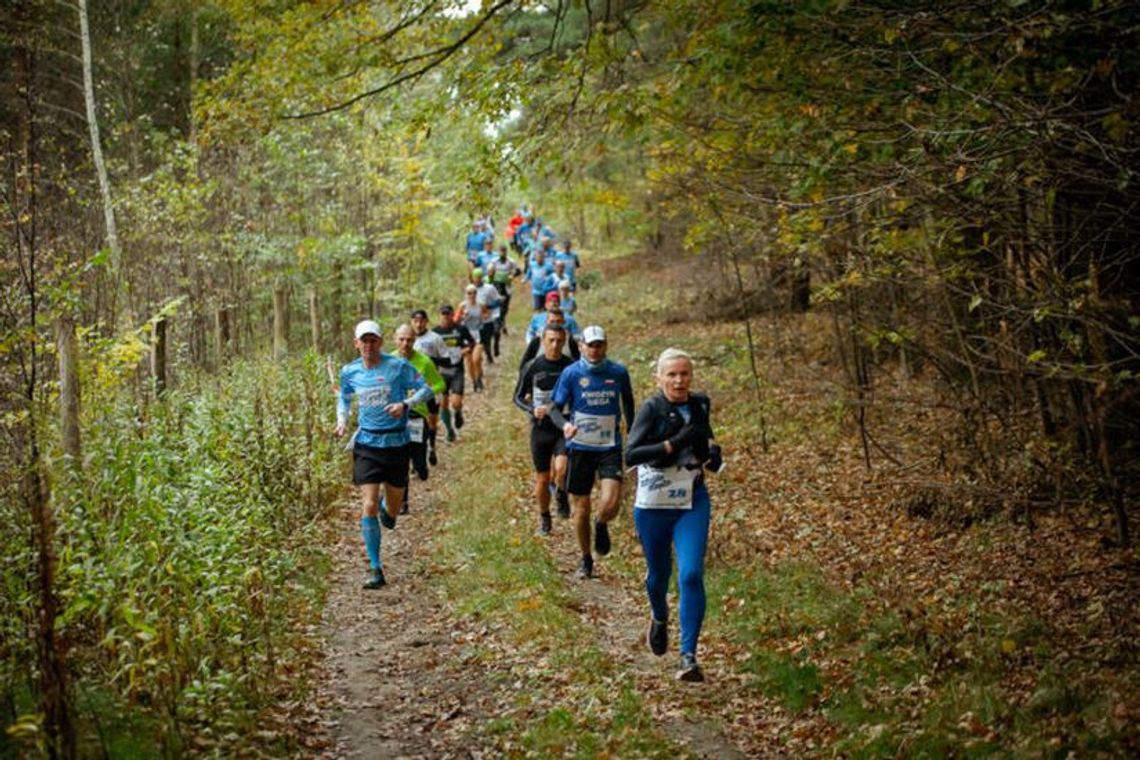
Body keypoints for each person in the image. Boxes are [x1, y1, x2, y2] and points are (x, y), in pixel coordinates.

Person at [625, 348, 723, 682]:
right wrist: (671, 445)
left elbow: (705, 436)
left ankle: (688, 656)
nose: (679, 380)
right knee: (659, 574)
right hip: (653, 505)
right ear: (659, 378)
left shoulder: (700, 404)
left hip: (692, 501)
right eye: (671, 375)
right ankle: (659, 615)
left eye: (684, 374)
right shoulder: (651, 408)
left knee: (691, 574)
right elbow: (631, 453)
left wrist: (712, 452)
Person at [336, 320, 433, 589]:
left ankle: (385, 510)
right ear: (356, 343)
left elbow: (426, 389)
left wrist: (405, 404)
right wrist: (342, 420)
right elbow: (343, 398)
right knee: (367, 504)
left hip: (397, 445)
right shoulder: (349, 371)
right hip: (367, 444)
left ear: (380, 342)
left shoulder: (397, 366)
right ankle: (376, 569)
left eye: (373, 340)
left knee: (391, 510)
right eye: (363, 341)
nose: (368, 345)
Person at [547, 325, 635, 579]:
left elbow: (628, 402)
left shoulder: (618, 372)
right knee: (581, 507)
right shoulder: (571, 373)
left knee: (611, 501)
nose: (595, 350)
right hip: (580, 447)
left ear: (605, 346)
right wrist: (565, 425)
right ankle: (585, 558)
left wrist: (633, 432)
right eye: (590, 345)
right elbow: (555, 408)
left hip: (609, 446)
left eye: (599, 345)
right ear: (581, 346)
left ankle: (602, 523)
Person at [514, 325, 575, 534]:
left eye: (559, 340)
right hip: (540, 429)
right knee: (542, 477)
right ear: (543, 340)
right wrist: (532, 409)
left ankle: (561, 492)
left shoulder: (571, 366)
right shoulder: (532, 366)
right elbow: (517, 397)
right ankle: (545, 518)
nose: (555, 345)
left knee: (562, 468)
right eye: (551, 340)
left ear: (565, 340)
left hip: (563, 427)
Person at [393, 323, 446, 514]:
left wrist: (425, 393)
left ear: (415, 341)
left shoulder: (424, 361)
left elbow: (440, 384)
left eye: (409, 340)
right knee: (401, 461)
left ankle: (422, 466)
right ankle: (403, 503)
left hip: (418, 416)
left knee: (420, 467)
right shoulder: (388, 360)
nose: (405, 343)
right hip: (396, 417)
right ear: (395, 339)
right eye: (402, 339)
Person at [430, 304, 476, 441]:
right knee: (443, 404)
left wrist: (465, 350)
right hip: (440, 372)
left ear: (452, 315)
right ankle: (450, 430)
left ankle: (458, 412)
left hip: (456, 370)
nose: (445, 317)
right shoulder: (434, 333)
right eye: (443, 314)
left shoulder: (460, 329)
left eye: (448, 314)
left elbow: (472, 342)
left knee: (455, 402)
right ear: (439, 315)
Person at [411, 309, 446, 463]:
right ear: (411, 322)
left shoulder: (435, 338)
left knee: (431, 420)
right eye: (415, 321)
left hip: (431, 386)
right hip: (412, 389)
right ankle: (416, 456)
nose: (418, 324)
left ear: (426, 322)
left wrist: (432, 362)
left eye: (421, 321)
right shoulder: (407, 339)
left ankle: (432, 447)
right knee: (414, 422)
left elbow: (446, 359)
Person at [456, 284, 488, 391]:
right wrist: (462, 316)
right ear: (466, 294)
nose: (472, 295)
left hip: (478, 334)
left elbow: (487, 314)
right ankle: (474, 381)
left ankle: (479, 378)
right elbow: (455, 320)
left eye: (474, 292)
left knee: (476, 359)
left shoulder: (480, 305)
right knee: (469, 361)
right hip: (466, 336)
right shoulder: (462, 306)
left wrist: (484, 318)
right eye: (469, 293)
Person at [473, 268, 503, 361]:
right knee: (481, 340)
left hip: (490, 317)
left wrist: (488, 306)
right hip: (477, 319)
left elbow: (498, 301)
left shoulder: (489, 288)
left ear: (482, 278)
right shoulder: (471, 289)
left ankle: (492, 349)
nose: (477, 279)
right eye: (475, 277)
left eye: (479, 277)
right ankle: (487, 356)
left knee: (491, 336)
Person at [524, 247, 557, 312]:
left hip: (546, 291)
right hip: (536, 291)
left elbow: (554, 274)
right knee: (537, 309)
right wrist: (525, 279)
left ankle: (544, 320)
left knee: (546, 308)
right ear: (535, 257)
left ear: (544, 257)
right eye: (537, 257)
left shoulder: (548, 266)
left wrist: (551, 282)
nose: (539, 259)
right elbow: (529, 272)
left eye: (541, 257)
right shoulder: (532, 265)